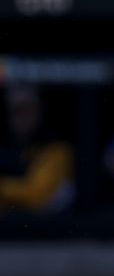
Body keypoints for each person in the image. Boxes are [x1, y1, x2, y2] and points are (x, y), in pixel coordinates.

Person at [0, 86, 75, 216]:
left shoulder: (56, 148)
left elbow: (38, 195)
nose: (23, 117)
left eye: (28, 109)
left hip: (46, 224)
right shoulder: (6, 145)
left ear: (40, 110)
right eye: (17, 110)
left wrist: (4, 188)